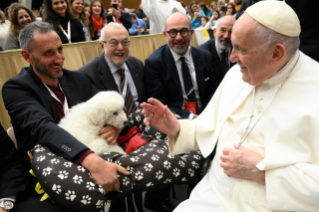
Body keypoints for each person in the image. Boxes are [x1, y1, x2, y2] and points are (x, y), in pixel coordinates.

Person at [141, 1, 319, 211]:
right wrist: (178, 128)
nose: (232, 57)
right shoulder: (237, 74)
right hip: (212, 197)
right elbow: (209, 126)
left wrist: (263, 173)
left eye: (240, 49)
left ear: (276, 54)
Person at [2, 21, 130, 212]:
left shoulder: (76, 79)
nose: (59, 58)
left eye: (60, 50)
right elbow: (42, 127)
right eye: (48, 53)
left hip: (96, 157)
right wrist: (90, 160)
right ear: (27, 56)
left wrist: (115, 126)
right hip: (49, 176)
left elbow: (112, 106)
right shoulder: (16, 88)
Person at [78, 22, 145, 211]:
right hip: (110, 142)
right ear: (102, 45)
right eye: (114, 43)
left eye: (125, 42)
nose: (121, 48)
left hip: (139, 134)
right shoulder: (87, 75)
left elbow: (144, 103)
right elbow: (91, 119)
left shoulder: (136, 65)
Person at [144, 12, 217, 120]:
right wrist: (192, 117)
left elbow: (213, 92)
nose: (179, 37)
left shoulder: (205, 57)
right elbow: (159, 104)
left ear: (191, 33)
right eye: (173, 32)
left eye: (184, 31)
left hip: (207, 117)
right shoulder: (155, 63)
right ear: (165, 35)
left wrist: (207, 116)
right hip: (175, 121)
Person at [199, 15, 236, 86]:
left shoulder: (239, 49)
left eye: (231, 32)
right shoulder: (202, 54)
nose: (226, 36)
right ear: (215, 32)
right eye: (223, 30)